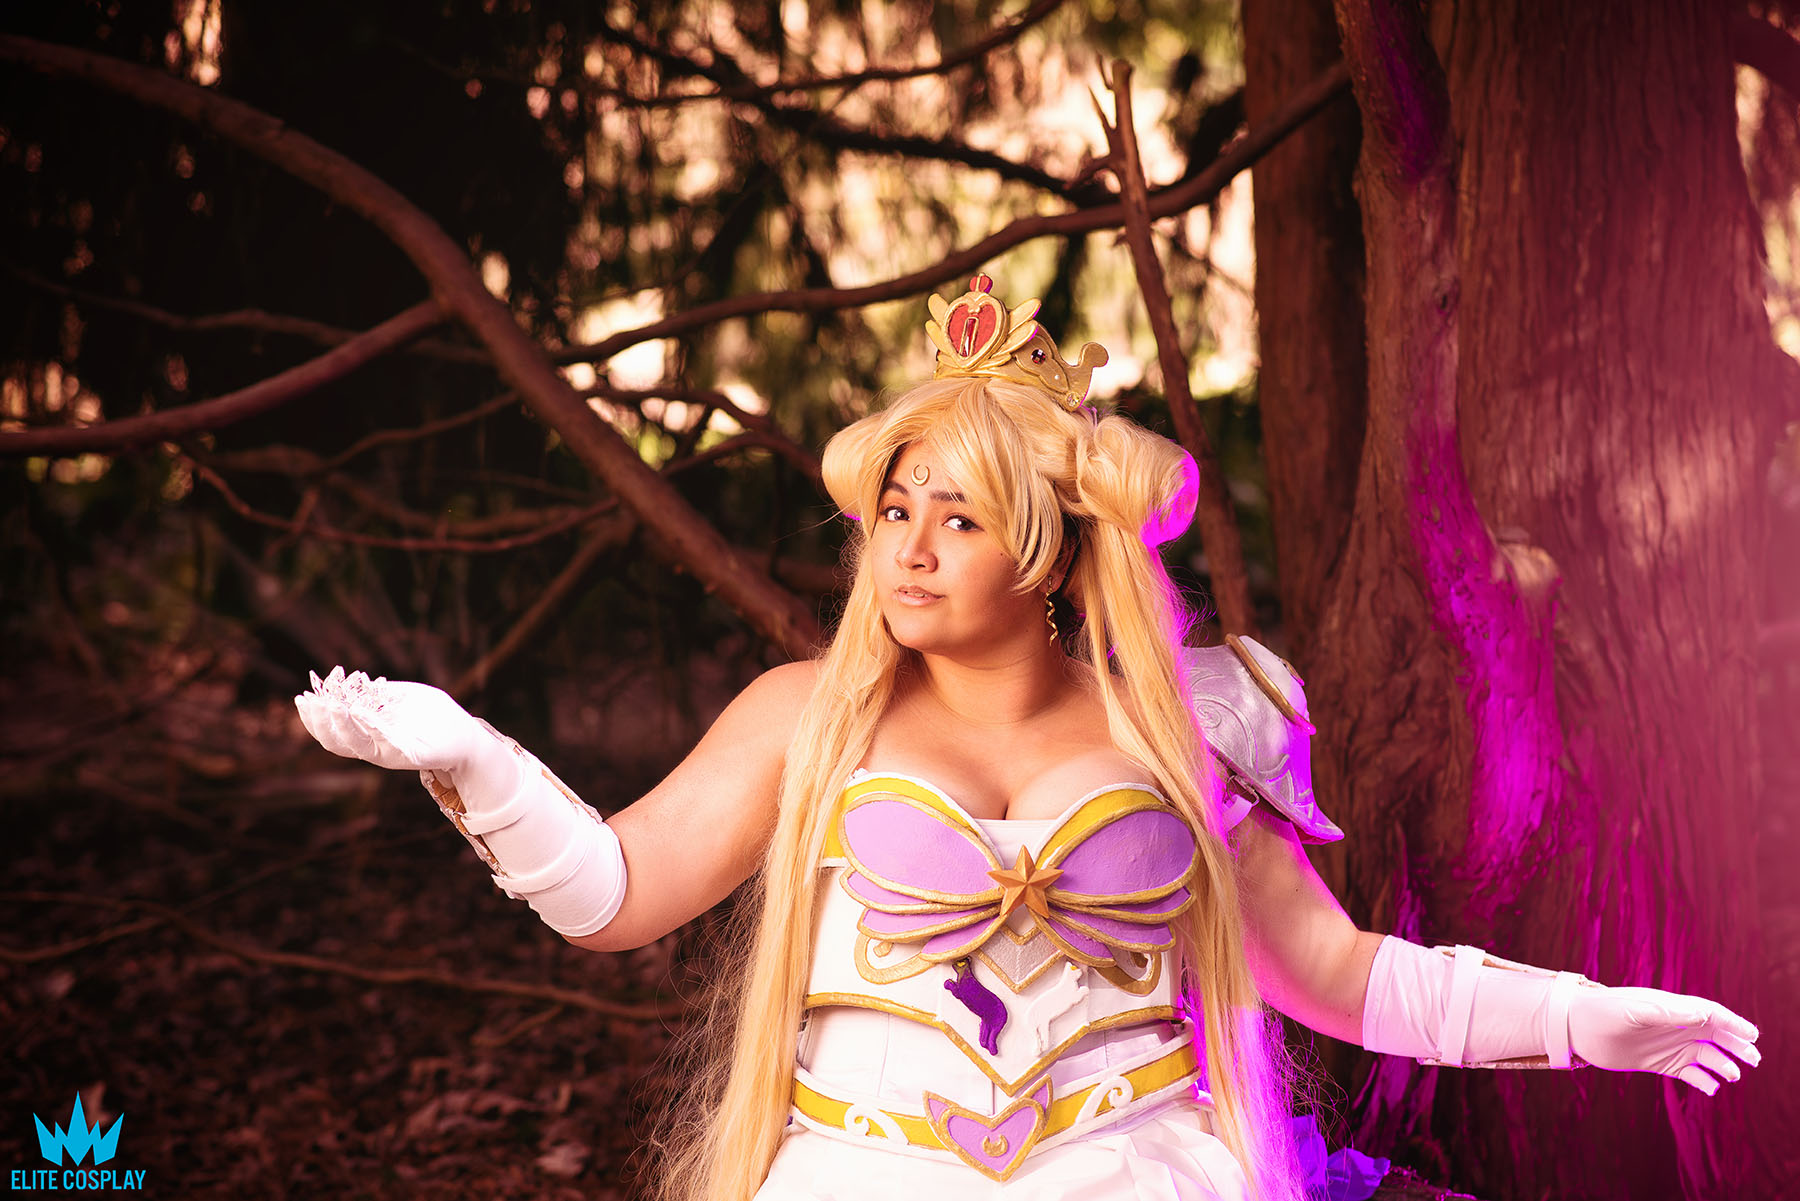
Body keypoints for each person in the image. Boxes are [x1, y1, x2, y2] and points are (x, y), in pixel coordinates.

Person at [295, 275, 1760, 1201]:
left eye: (961, 517)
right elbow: (613, 896)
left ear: (1051, 550)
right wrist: (467, 753)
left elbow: (1339, 975)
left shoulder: (1187, 728)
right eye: (896, 509)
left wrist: (1583, 1021)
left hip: (1138, 1177)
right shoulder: (806, 717)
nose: (909, 547)